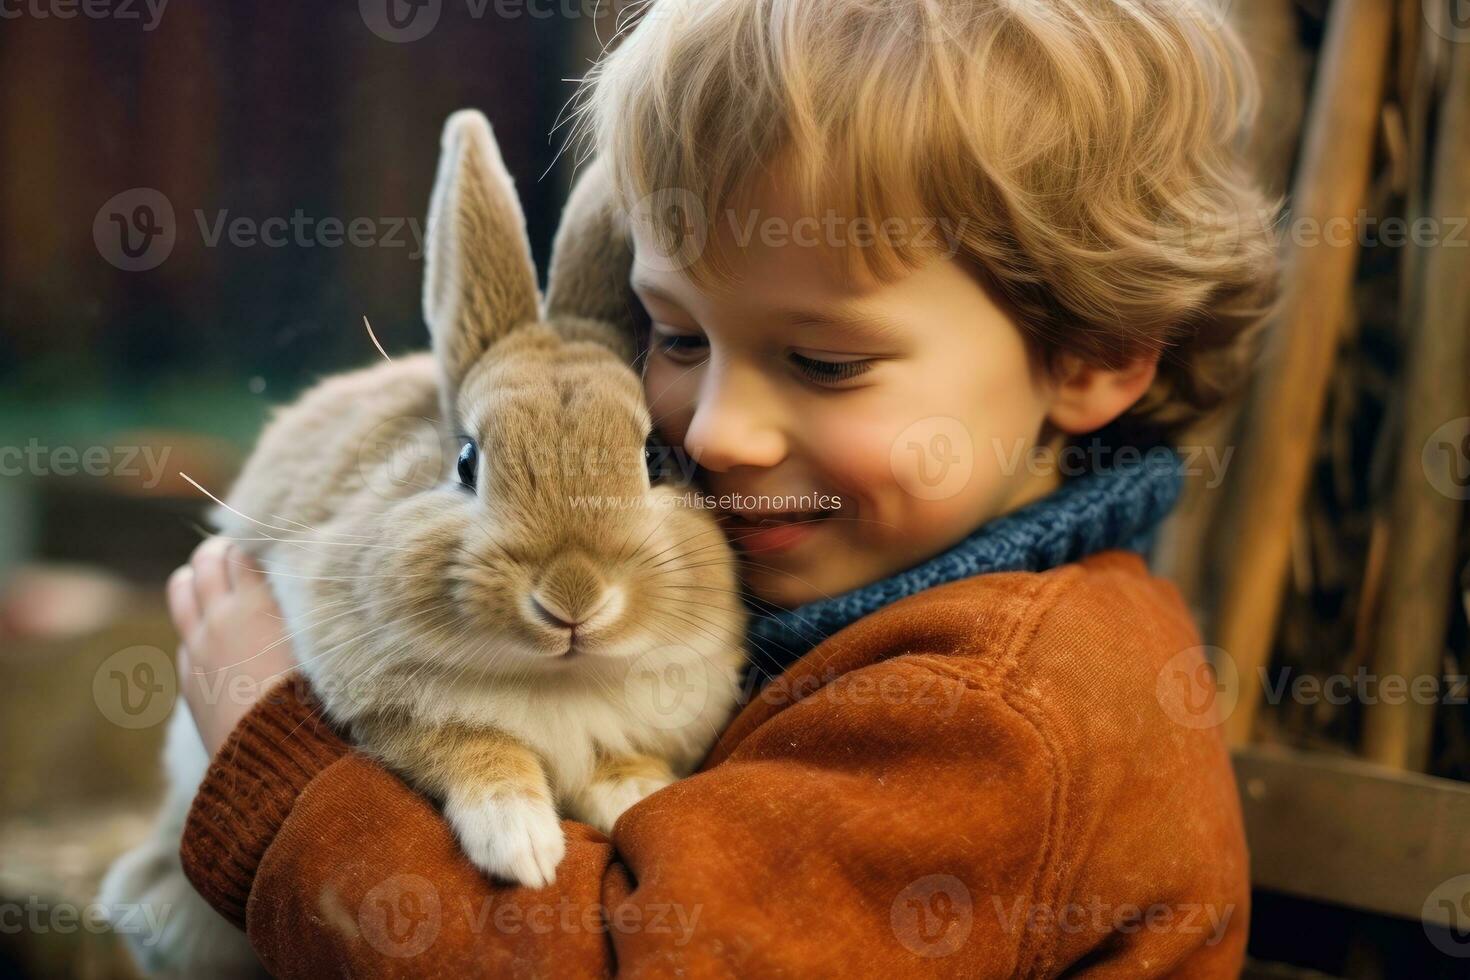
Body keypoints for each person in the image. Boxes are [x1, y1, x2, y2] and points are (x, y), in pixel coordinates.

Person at [166, 0, 1276, 974]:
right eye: (677, 335)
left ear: (1091, 356)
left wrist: (284, 765)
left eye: (826, 362)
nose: (717, 430)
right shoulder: (860, 588)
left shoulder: (991, 714)